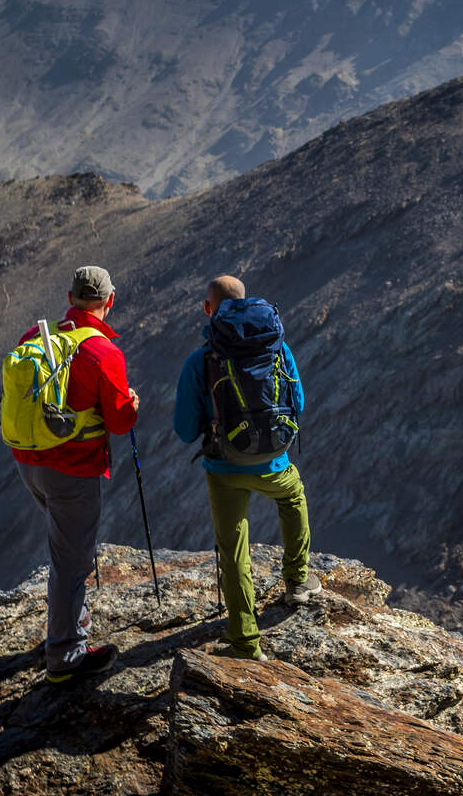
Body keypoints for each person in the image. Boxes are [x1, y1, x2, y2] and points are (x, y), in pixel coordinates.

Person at [174, 275, 320, 661]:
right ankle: (298, 580)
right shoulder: (277, 349)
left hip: (224, 469)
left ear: (209, 310)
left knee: (234, 549)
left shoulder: (200, 361)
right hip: (274, 461)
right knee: (293, 498)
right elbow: (298, 404)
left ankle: (245, 642)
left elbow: (185, 429)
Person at [13, 265, 139, 684]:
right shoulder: (103, 353)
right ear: (110, 301)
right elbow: (120, 423)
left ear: (70, 299)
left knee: (63, 550)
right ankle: (65, 656)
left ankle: (66, 626)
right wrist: (132, 405)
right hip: (73, 470)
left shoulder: (35, 338)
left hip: (30, 462)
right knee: (72, 562)